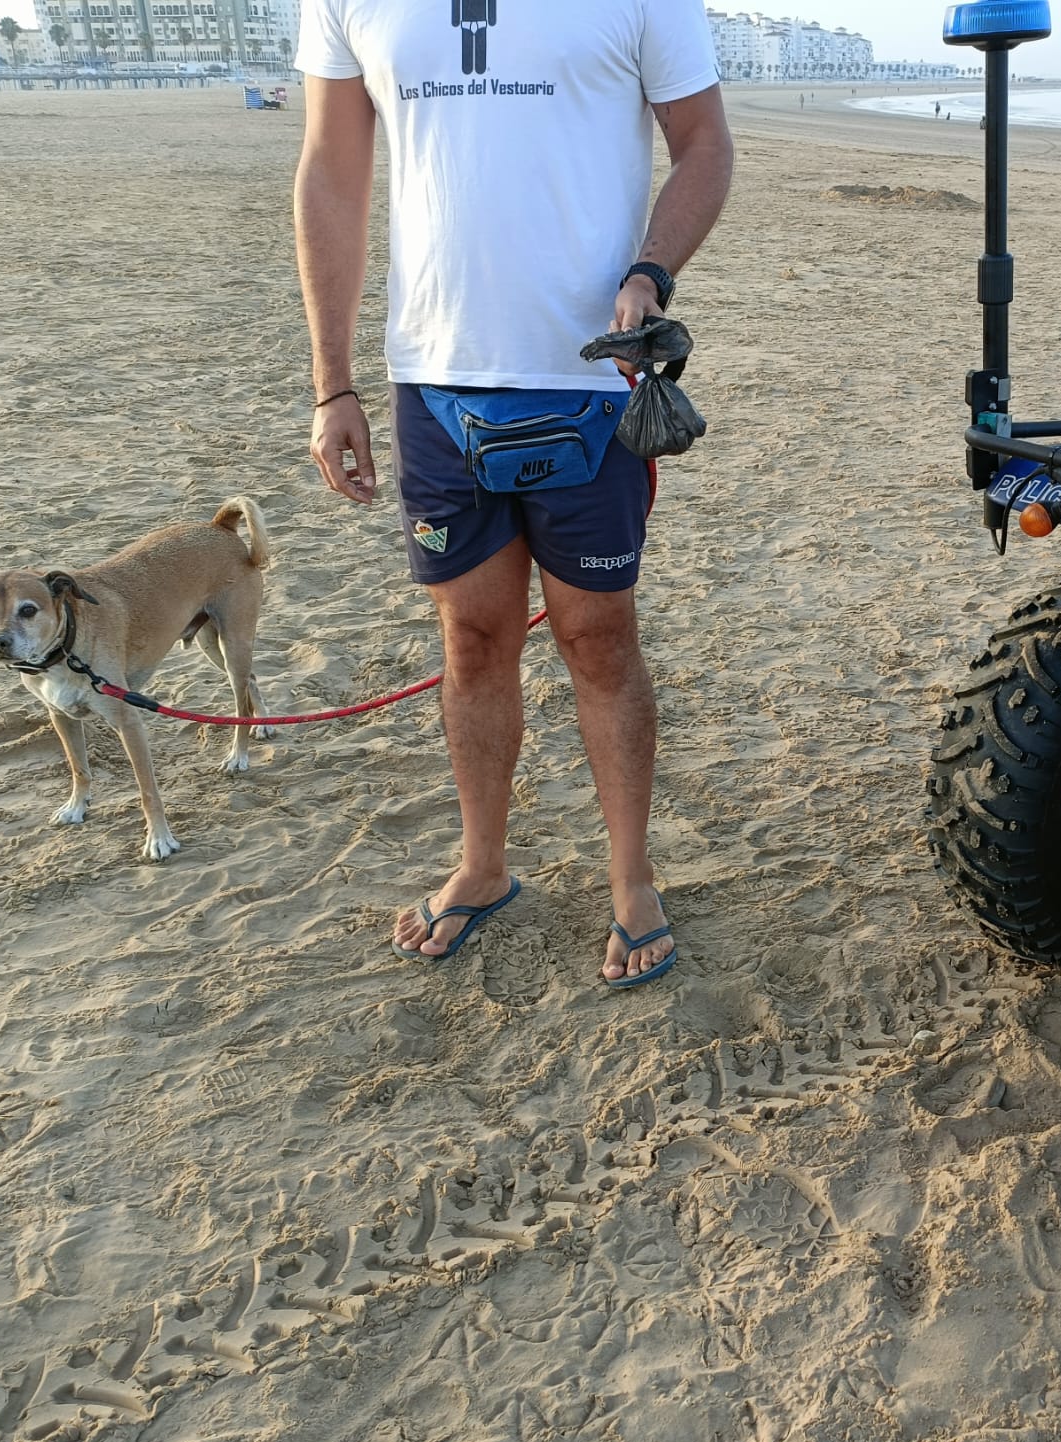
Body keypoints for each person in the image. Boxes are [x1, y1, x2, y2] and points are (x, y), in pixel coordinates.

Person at [294, 0, 734, 985]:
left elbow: (703, 143)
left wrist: (650, 271)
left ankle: (630, 877)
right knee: (474, 637)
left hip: (591, 375)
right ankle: (483, 866)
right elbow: (331, 168)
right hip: (436, 377)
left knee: (597, 636)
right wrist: (332, 383)